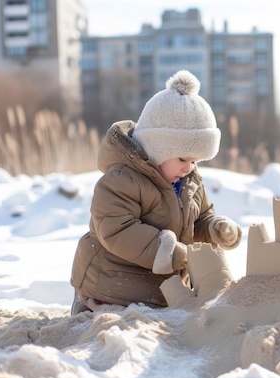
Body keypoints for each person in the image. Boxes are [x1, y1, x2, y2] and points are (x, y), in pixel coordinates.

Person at [70, 69, 242, 315]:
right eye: (183, 158)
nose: (189, 167)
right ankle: (86, 309)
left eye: (195, 161)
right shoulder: (121, 180)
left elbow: (200, 218)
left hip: (160, 292)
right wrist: (166, 250)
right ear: (156, 148)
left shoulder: (190, 182)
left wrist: (215, 229)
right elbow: (116, 229)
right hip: (110, 286)